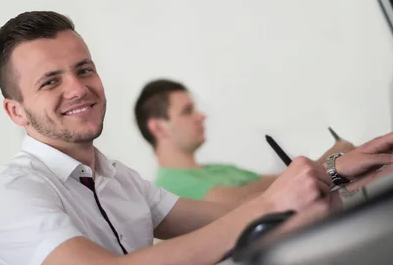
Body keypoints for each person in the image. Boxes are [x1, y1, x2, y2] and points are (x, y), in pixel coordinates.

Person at [0, 10, 393, 265]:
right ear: (15, 111)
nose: (77, 88)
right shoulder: (15, 191)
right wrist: (275, 204)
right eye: (50, 81)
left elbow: (227, 215)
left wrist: (335, 171)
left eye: (84, 69)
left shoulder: (114, 176)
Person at [134, 79, 356, 205]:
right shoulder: (170, 186)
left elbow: (283, 181)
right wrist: (332, 158)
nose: (201, 116)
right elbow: (248, 202)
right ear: (159, 128)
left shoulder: (221, 169)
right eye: (187, 111)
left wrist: (330, 160)